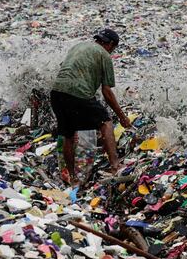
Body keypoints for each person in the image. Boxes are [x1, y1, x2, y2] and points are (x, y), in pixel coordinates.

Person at [50, 28, 131, 184]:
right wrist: (122, 116)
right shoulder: (104, 55)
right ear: (111, 44)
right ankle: (115, 165)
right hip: (78, 93)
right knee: (106, 122)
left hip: (57, 92)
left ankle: (73, 177)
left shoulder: (78, 47)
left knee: (68, 134)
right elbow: (106, 91)